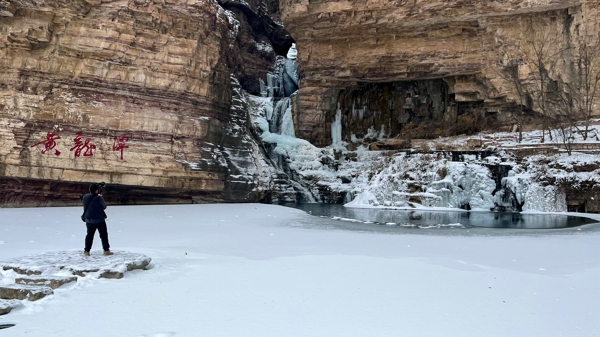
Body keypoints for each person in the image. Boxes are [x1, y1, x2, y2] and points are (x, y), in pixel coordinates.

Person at [82, 183, 114, 256]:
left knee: (89, 236)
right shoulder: (99, 198)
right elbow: (104, 207)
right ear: (97, 190)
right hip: (99, 220)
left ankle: (87, 251)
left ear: (89, 190)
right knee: (103, 235)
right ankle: (106, 250)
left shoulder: (85, 197)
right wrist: (99, 197)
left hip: (89, 219)